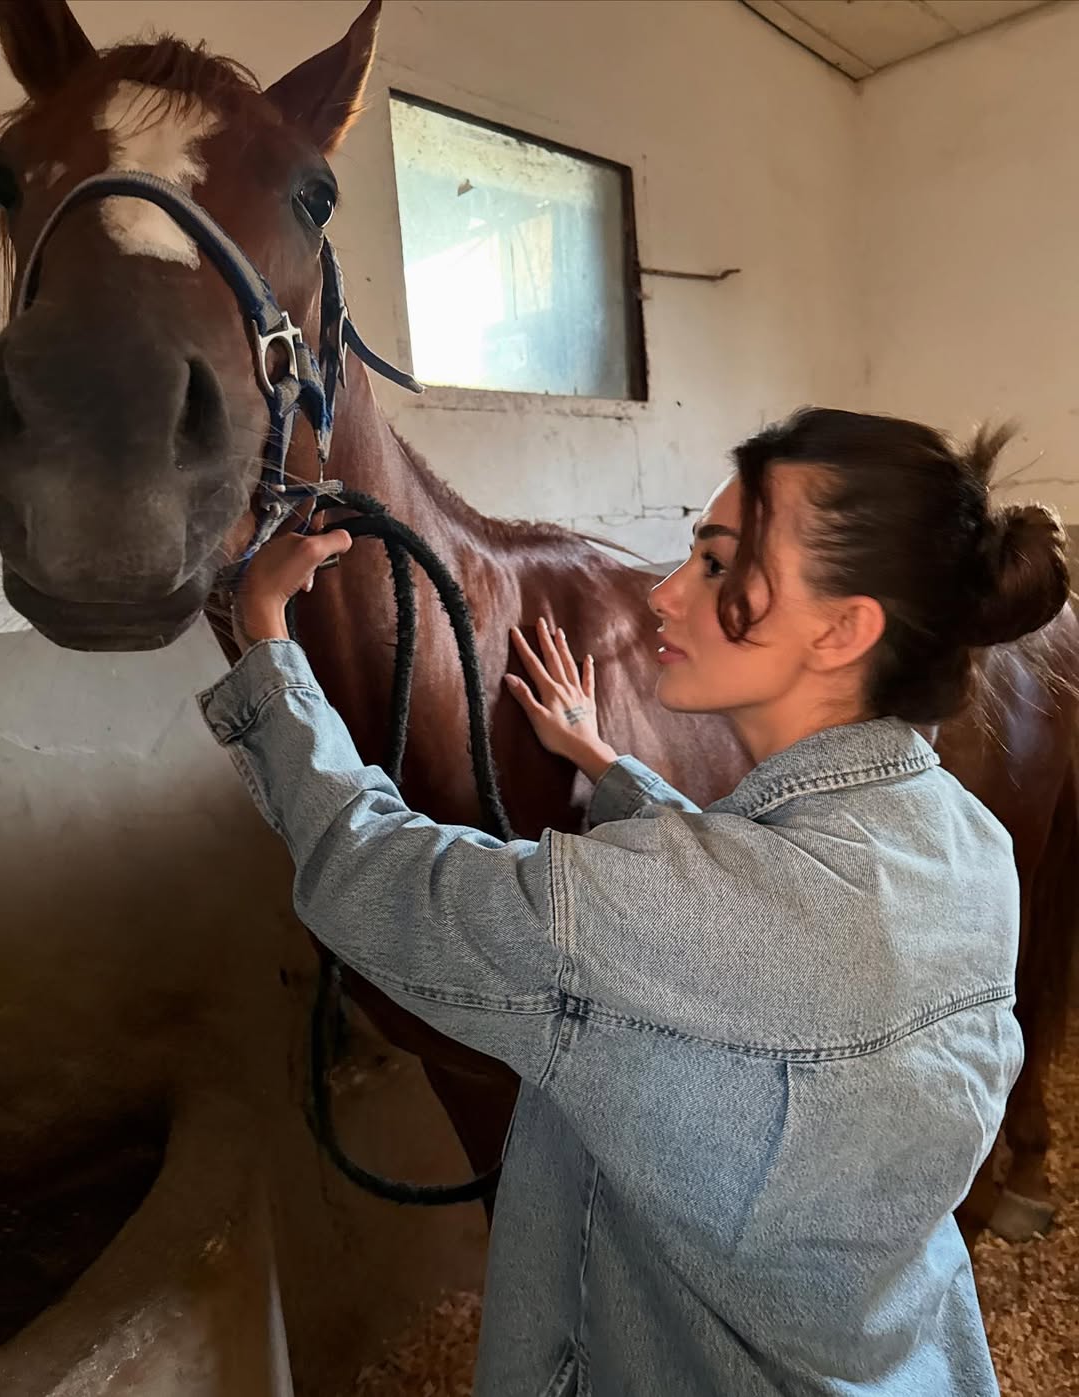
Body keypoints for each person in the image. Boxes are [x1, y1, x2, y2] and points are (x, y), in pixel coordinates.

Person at [199, 407, 1071, 1396]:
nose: (664, 593)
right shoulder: (967, 843)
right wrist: (607, 765)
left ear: (844, 629)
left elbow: (373, 871)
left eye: (717, 563)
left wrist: (264, 639)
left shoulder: (663, 910)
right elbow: (753, 905)